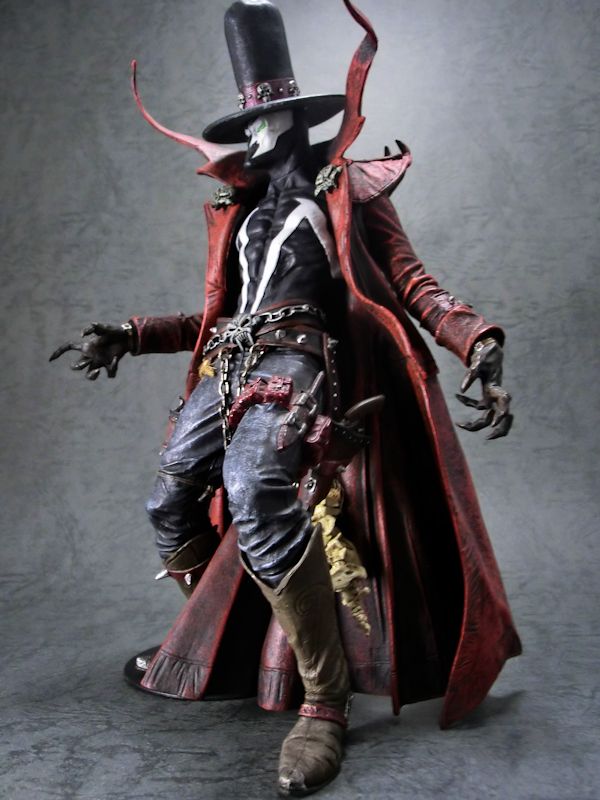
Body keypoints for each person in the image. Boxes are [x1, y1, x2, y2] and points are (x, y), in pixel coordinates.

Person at [51, 1, 520, 796]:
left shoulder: (350, 191)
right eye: (251, 121)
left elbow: (412, 281)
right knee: (168, 499)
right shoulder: (240, 210)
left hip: (303, 359)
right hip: (231, 360)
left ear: (299, 119)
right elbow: (217, 316)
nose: (259, 133)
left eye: (271, 118)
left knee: (255, 486)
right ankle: (219, 639)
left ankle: (324, 703)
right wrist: (133, 334)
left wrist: (475, 338)